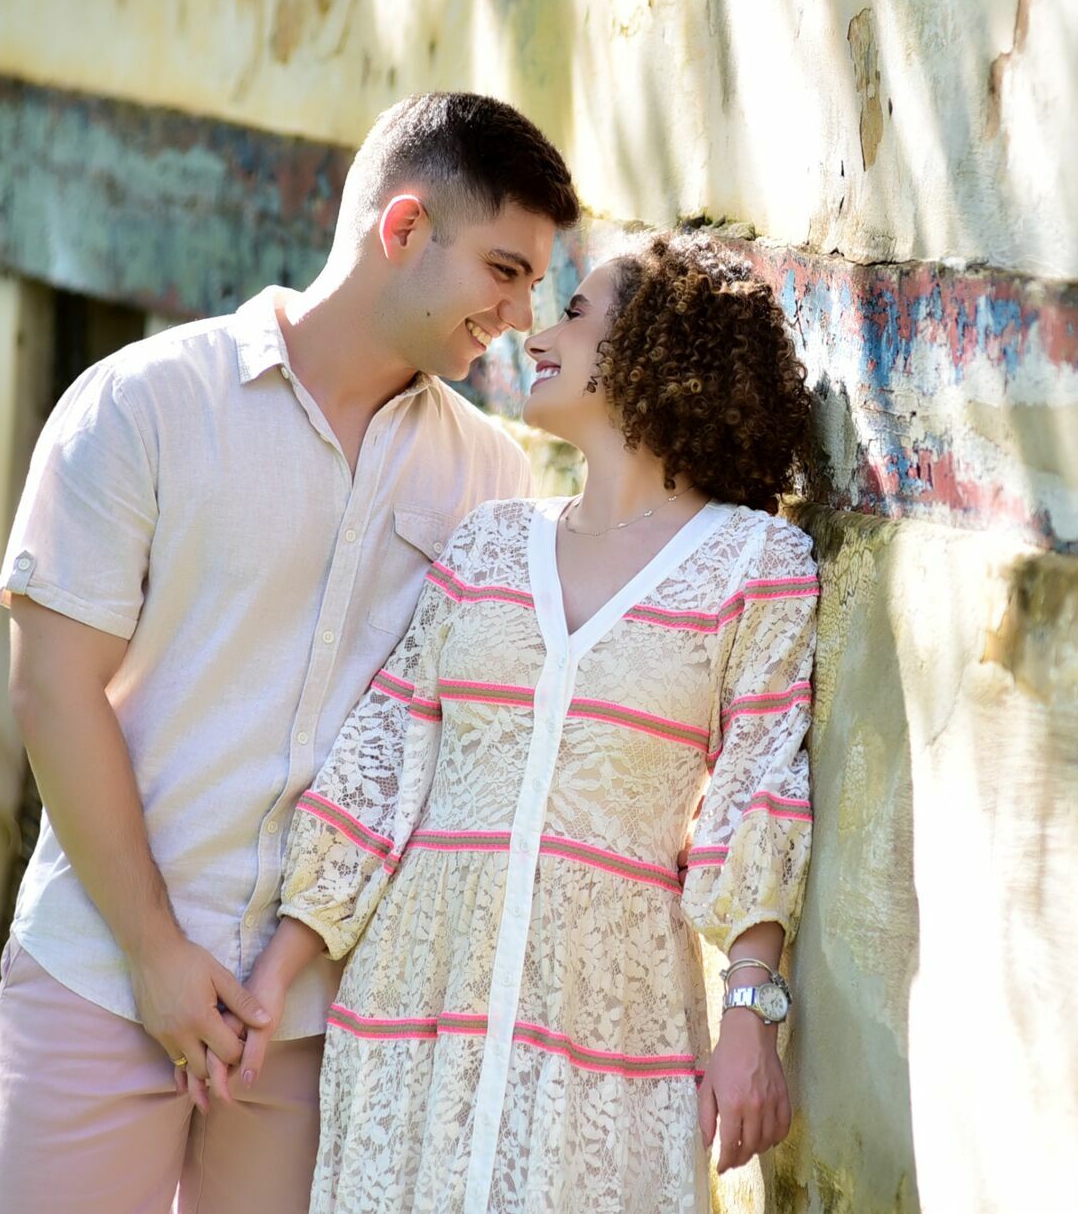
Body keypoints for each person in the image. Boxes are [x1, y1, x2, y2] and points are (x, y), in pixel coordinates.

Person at [0, 92, 581, 1214]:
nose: (520, 309)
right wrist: (156, 950)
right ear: (402, 229)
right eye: (505, 268)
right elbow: (53, 688)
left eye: (536, 281)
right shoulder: (143, 405)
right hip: (103, 975)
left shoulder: (489, 480)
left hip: (311, 1028)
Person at [237, 235, 820, 1213]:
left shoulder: (756, 565)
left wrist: (751, 1014)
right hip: (417, 1008)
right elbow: (384, 764)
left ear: (660, 350)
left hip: (610, 1028)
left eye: (577, 313)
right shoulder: (489, 542)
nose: (539, 334)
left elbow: (759, 786)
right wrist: (274, 982)